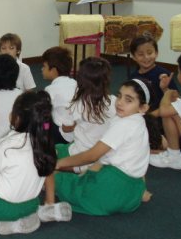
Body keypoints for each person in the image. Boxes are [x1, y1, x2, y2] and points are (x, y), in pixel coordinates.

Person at [50, 79, 156, 216]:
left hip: (110, 190)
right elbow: (139, 160)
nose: (120, 102)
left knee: (57, 180)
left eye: (128, 100)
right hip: (133, 192)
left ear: (143, 108)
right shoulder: (138, 122)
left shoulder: (125, 124)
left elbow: (92, 156)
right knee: (77, 170)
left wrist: (57, 164)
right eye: (119, 96)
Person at [0, 91, 60, 235]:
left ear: (17, 118)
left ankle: (4, 220)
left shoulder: (3, 145)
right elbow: (48, 173)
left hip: (1, 207)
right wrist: (49, 201)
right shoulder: (47, 145)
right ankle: (32, 215)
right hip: (31, 204)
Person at [58, 57, 117, 162]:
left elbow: (67, 129)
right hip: (106, 153)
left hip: (81, 152)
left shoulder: (77, 104)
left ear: (80, 80)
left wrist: (68, 126)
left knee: (55, 148)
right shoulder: (115, 102)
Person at [129, 35, 177, 150]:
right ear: (134, 56)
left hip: (161, 119)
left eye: (150, 53)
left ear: (156, 53)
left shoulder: (163, 74)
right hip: (142, 117)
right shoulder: (133, 76)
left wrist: (165, 88)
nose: (146, 57)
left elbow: (176, 99)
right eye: (141, 54)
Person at [41, 46, 77, 144]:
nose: (42, 69)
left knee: (41, 117)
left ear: (53, 70)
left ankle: (46, 138)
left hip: (63, 134)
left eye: (44, 66)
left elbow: (43, 114)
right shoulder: (75, 83)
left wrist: (45, 128)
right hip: (79, 130)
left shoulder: (50, 90)